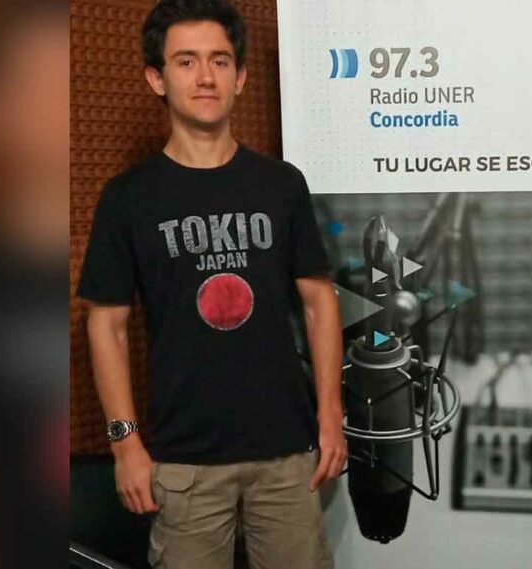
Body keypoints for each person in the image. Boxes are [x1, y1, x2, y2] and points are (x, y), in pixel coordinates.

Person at [77, 1, 345, 568]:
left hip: (288, 454)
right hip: (184, 462)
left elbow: (320, 303)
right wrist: (125, 442)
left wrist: (329, 416)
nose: (205, 77)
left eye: (220, 61)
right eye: (186, 61)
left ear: (241, 76)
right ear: (157, 78)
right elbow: (107, 325)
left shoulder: (281, 185)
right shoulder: (129, 199)